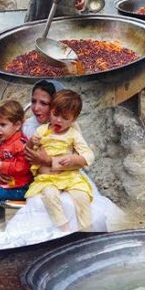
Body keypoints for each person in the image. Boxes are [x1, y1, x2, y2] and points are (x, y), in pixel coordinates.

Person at [24, 90, 94, 232]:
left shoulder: (73, 134)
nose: (58, 120)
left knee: (82, 197)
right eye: (55, 115)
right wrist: (32, 142)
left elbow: (89, 155)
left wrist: (74, 158)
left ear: (74, 119)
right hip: (47, 178)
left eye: (65, 117)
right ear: (51, 111)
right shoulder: (42, 131)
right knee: (50, 195)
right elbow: (27, 152)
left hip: (69, 177)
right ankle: (64, 229)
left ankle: (86, 231)